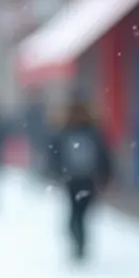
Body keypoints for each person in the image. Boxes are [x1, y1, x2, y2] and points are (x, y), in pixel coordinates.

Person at [47, 101, 112, 262]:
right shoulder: (93, 133)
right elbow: (104, 156)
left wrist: (56, 174)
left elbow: (55, 156)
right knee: (81, 214)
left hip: (72, 180)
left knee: (75, 213)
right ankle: (80, 242)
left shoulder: (65, 131)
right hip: (87, 180)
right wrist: (105, 176)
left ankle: (78, 241)